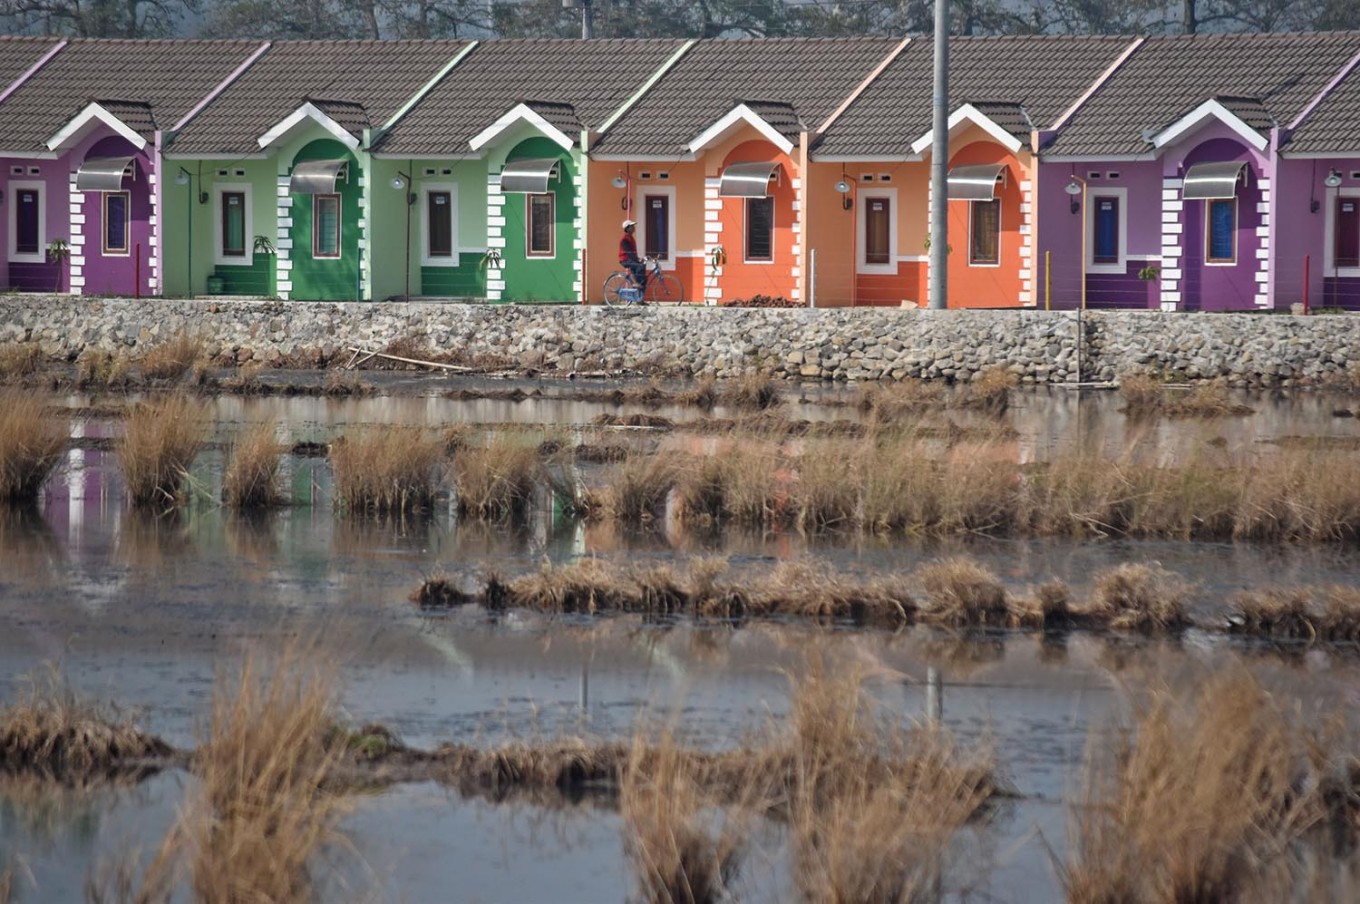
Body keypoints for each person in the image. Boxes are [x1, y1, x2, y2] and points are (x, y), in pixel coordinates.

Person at [619, 219, 648, 297]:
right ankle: (636, 283)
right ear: (628, 228)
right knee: (640, 267)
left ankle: (640, 298)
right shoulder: (624, 239)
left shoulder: (631, 238)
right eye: (632, 226)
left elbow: (633, 253)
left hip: (630, 259)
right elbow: (629, 252)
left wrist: (638, 259)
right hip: (625, 260)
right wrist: (637, 259)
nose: (634, 228)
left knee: (643, 276)